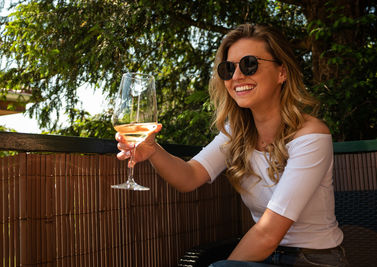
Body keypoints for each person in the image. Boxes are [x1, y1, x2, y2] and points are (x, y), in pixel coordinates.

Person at [116, 24, 349, 266]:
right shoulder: (236, 134)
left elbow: (268, 233)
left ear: (282, 72)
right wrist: (154, 151)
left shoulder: (311, 136)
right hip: (264, 257)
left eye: (250, 64)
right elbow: (189, 176)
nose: (237, 76)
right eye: (228, 68)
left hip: (315, 260)